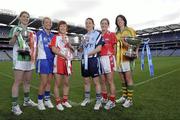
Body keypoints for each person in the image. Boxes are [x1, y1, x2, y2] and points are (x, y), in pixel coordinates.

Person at [9, 11, 37, 115]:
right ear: (19, 18)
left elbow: (32, 45)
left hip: (29, 58)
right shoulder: (15, 29)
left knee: (28, 81)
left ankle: (26, 101)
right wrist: (15, 36)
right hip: (19, 58)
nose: (26, 18)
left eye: (27, 17)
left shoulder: (30, 31)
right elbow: (11, 43)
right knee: (18, 81)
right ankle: (14, 106)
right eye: (24, 16)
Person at [79, 18, 104, 110]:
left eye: (90, 23)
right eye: (86, 23)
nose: (88, 24)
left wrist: (88, 54)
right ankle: (87, 99)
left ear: (93, 24)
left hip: (93, 59)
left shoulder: (97, 34)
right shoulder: (84, 36)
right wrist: (81, 44)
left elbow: (99, 48)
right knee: (86, 81)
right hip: (84, 60)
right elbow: (80, 50)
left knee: (96, 82)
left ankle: (98, 101)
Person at [49, 20, 74, 111]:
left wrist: (69, 46)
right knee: (57, 83)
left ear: (66, 28)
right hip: (59, 61)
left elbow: (71, 50)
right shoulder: (55, 37)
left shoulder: (68, 38)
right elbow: (53, 49)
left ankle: (65, 100)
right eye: (61, 26)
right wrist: (64, 55)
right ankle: (58, 102)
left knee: (66, 82)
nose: (63, 28)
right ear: (59, 28)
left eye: (64, 26)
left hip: (67, 63)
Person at [115, 14, 138, 108]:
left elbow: (136, 42)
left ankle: (130, 99)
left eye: (121, 19)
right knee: (122, 79)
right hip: (118, 58)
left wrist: (136, 52)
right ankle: (124, 96)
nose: (119, 21)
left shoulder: (130, 30)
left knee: (128, 78)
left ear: (124, 21)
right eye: (117, 20)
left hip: (127, 57)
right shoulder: (116, 33)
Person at [36, 17, 54, 110]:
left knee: (49, 82)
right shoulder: (39, 34)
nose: (48, 23)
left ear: (51, 24)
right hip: (42, 59)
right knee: (43, 82)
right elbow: (34, 47)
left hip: (51, 60)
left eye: (49, 22)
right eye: (46, 22)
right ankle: (40, 101)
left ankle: (47, 100)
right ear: (43, 24)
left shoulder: (53, 36)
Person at [99, 18, 117, 110]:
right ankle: (105, 98)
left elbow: (115, 48)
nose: (103, 25)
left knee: (110, 81)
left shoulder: (112, 34)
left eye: (105, 23)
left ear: (108, 25)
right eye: (102, 23)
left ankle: (112, 100)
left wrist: (113, 58)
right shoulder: (98, 35)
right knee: (102, 81)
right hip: (100, 59)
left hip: (108, 58)